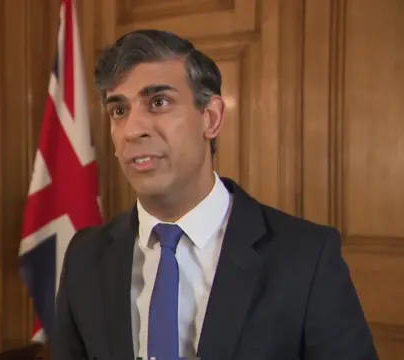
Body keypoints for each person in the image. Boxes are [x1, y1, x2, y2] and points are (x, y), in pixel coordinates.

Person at [51, 29, 378, 360]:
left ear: (211, 117)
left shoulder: (306, 257)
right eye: (119, 110)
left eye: (159, 102)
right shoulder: (84, 257)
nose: (133, 129)